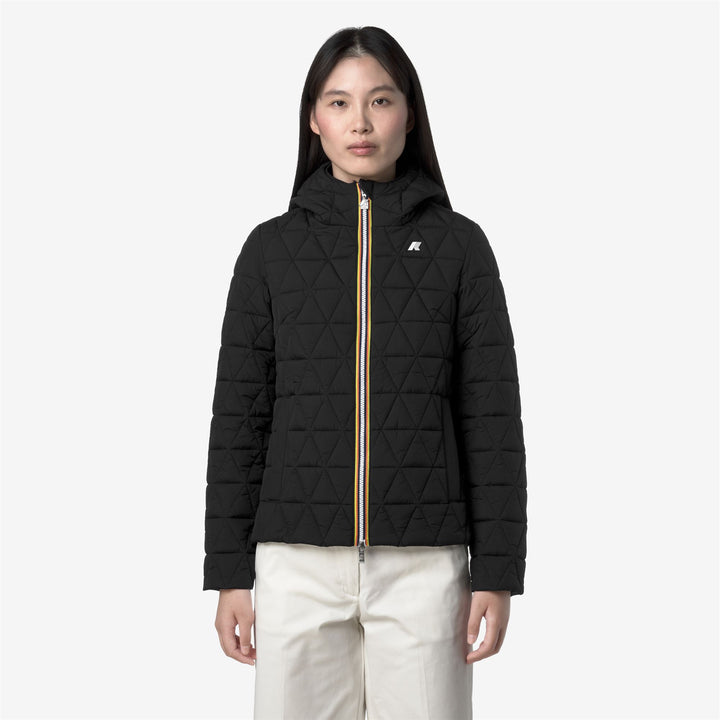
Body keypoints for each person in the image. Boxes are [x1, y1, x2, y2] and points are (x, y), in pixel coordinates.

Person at [203, 25, 528, 720]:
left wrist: (498, 571)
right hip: (295, 564)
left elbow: (491, 417)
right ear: (313, 119)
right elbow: (239, 419)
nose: (360, 122)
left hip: (424, 567)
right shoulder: (269, 251)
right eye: (339, 102)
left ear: (409, 113)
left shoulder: (459, 247)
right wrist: (229, 573)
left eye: (380, 100)